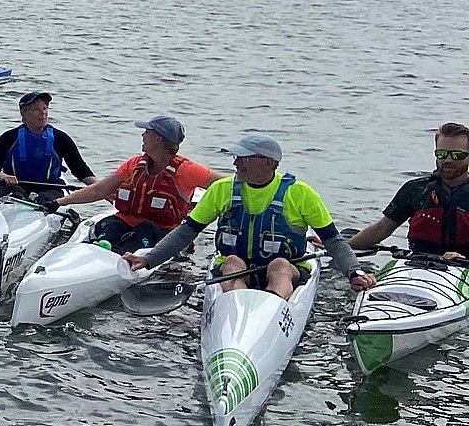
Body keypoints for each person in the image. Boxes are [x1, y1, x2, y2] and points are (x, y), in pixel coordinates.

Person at [125, 133, 372, 298]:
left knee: (279, 266)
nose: (236, 164)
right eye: (236, 157)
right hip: (236, 268)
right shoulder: (222, 190)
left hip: (288, 270)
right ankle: (237, 309)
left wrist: (355, 273)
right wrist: (148, 260)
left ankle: (271, 309)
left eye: (243, 158)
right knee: (232, 262)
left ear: (268, 163)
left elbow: (333, 241)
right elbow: (186, 231)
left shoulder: (300, 193)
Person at [52, 115, 216, 252]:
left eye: (146, 132)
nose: (142, 135)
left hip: (161, 231)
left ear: (158, 138)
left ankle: (122, 256)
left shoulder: (187, 170)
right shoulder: (135, 164)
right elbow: (99, 190)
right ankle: (97, 251)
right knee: (111, 225)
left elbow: (226, 185)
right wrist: (58, 202)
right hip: (124, 223)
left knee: (144, 230)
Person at [347, 122, 469, 261]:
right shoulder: (415, 190)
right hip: (418, 265)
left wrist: (463, 260)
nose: (448, 160)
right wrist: (341, 247)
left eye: (457, 155)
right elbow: (383, 228)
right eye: (441, 154)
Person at [0, 92, 95, 198]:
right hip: (14, 186)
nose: (43, 113)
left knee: (45, 198)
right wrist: (3, 176)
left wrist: (103, 190)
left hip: (50, 188)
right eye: (36, 109)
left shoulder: (61, 138)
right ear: (24, 113)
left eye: (45, 108)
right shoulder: (8, 138)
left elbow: (80, 170)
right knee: (17, 193)